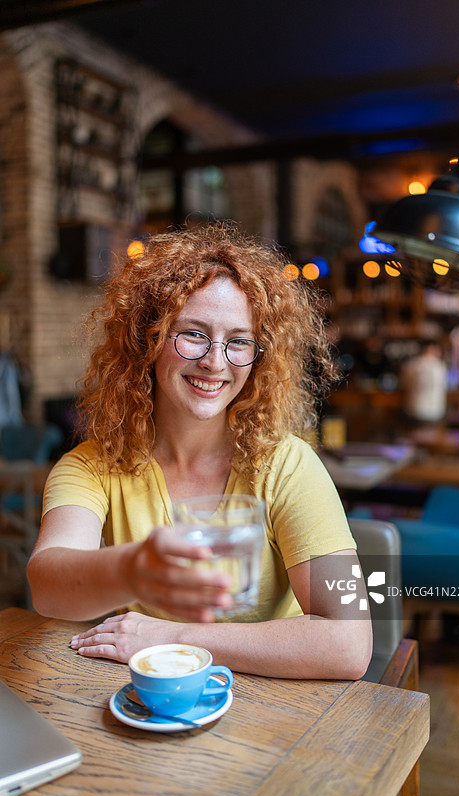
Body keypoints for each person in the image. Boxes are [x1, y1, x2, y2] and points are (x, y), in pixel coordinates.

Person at [27, 222, 372, 680]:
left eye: (239, 341)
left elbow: (349, 644)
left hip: (277, 718)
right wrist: (134, 568)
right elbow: (48, 588)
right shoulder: (92, 466)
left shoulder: (288, 465)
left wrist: (173, 636)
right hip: (148, 707)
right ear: (147, 338)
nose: (215, 361)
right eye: (192, 333)